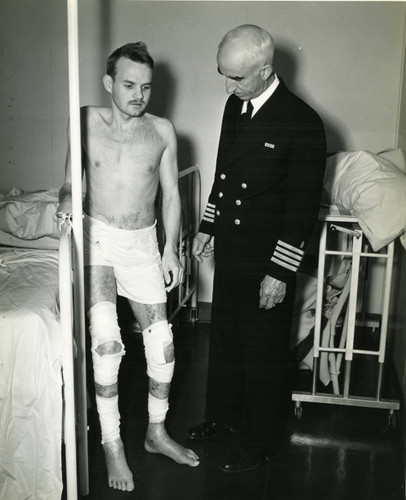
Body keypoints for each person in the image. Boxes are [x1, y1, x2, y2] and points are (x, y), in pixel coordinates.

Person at [57, 42, 200, 492]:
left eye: (146, 86)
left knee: (162, 346)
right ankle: (112, 443)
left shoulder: (161, 130)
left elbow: (172, 195)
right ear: (108, 83)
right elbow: (69, 182)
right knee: (106, 347)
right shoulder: (84, 120)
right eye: (129, 85)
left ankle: (156, 433)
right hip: (98, 237)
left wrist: (171, 250)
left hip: (142, 243)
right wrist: (64, 203)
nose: (139, 94)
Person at [186, 25, 326, 473]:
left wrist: (280, 272)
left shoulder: (301, 121)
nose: (229, 86)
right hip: (233, 246)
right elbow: (223, 173)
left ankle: (262, 440)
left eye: (238, 78)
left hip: (268, 256)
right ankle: (224, 417)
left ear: (266, 70)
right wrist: (209, 225)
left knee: (263, 348)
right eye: (224, 75)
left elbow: (302, 207)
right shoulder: (235, 106)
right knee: (226, 336)